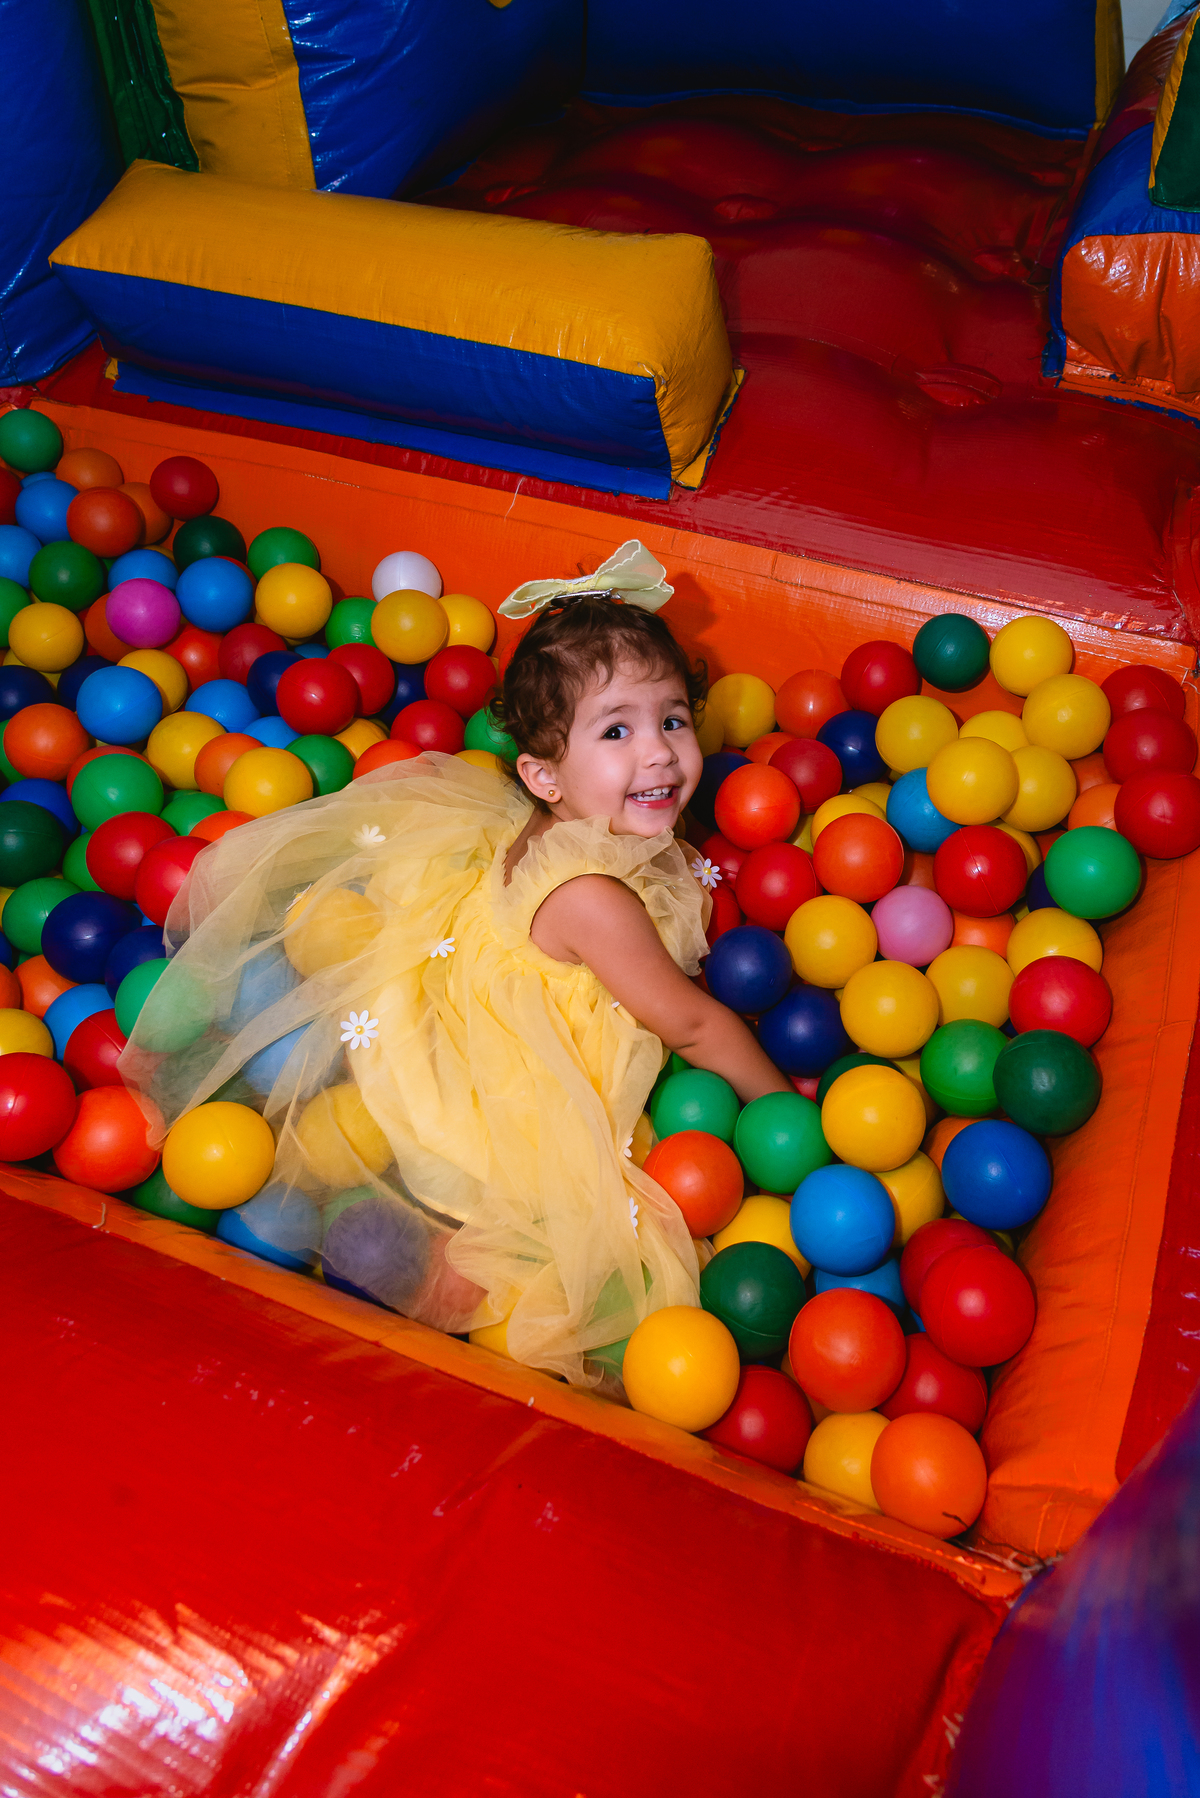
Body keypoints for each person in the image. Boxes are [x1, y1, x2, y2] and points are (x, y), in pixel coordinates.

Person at [122, 542, 790, 1384]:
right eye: (616, 730)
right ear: (543, 777)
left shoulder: (580, 825)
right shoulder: (596, 901)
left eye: (671, 720)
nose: (658, 752)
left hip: (473, 971)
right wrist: (777, 1101)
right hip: (511, 1097)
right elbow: (691, 1024)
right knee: (617, 1259)